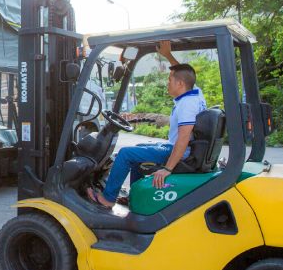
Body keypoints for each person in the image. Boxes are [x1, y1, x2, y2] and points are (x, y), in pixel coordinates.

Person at [87, 41, 206, 209]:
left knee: (125, 154)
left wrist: (167, 169)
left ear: (180, 84)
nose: (167, 83)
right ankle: (135, 197)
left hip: (180, 151)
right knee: (139, 149)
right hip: (184, 149)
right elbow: (184, 74)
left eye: (169, 80)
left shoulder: (187, 104)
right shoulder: (195, 94)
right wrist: (168, 55)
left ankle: (108, 198)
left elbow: (184, 138)